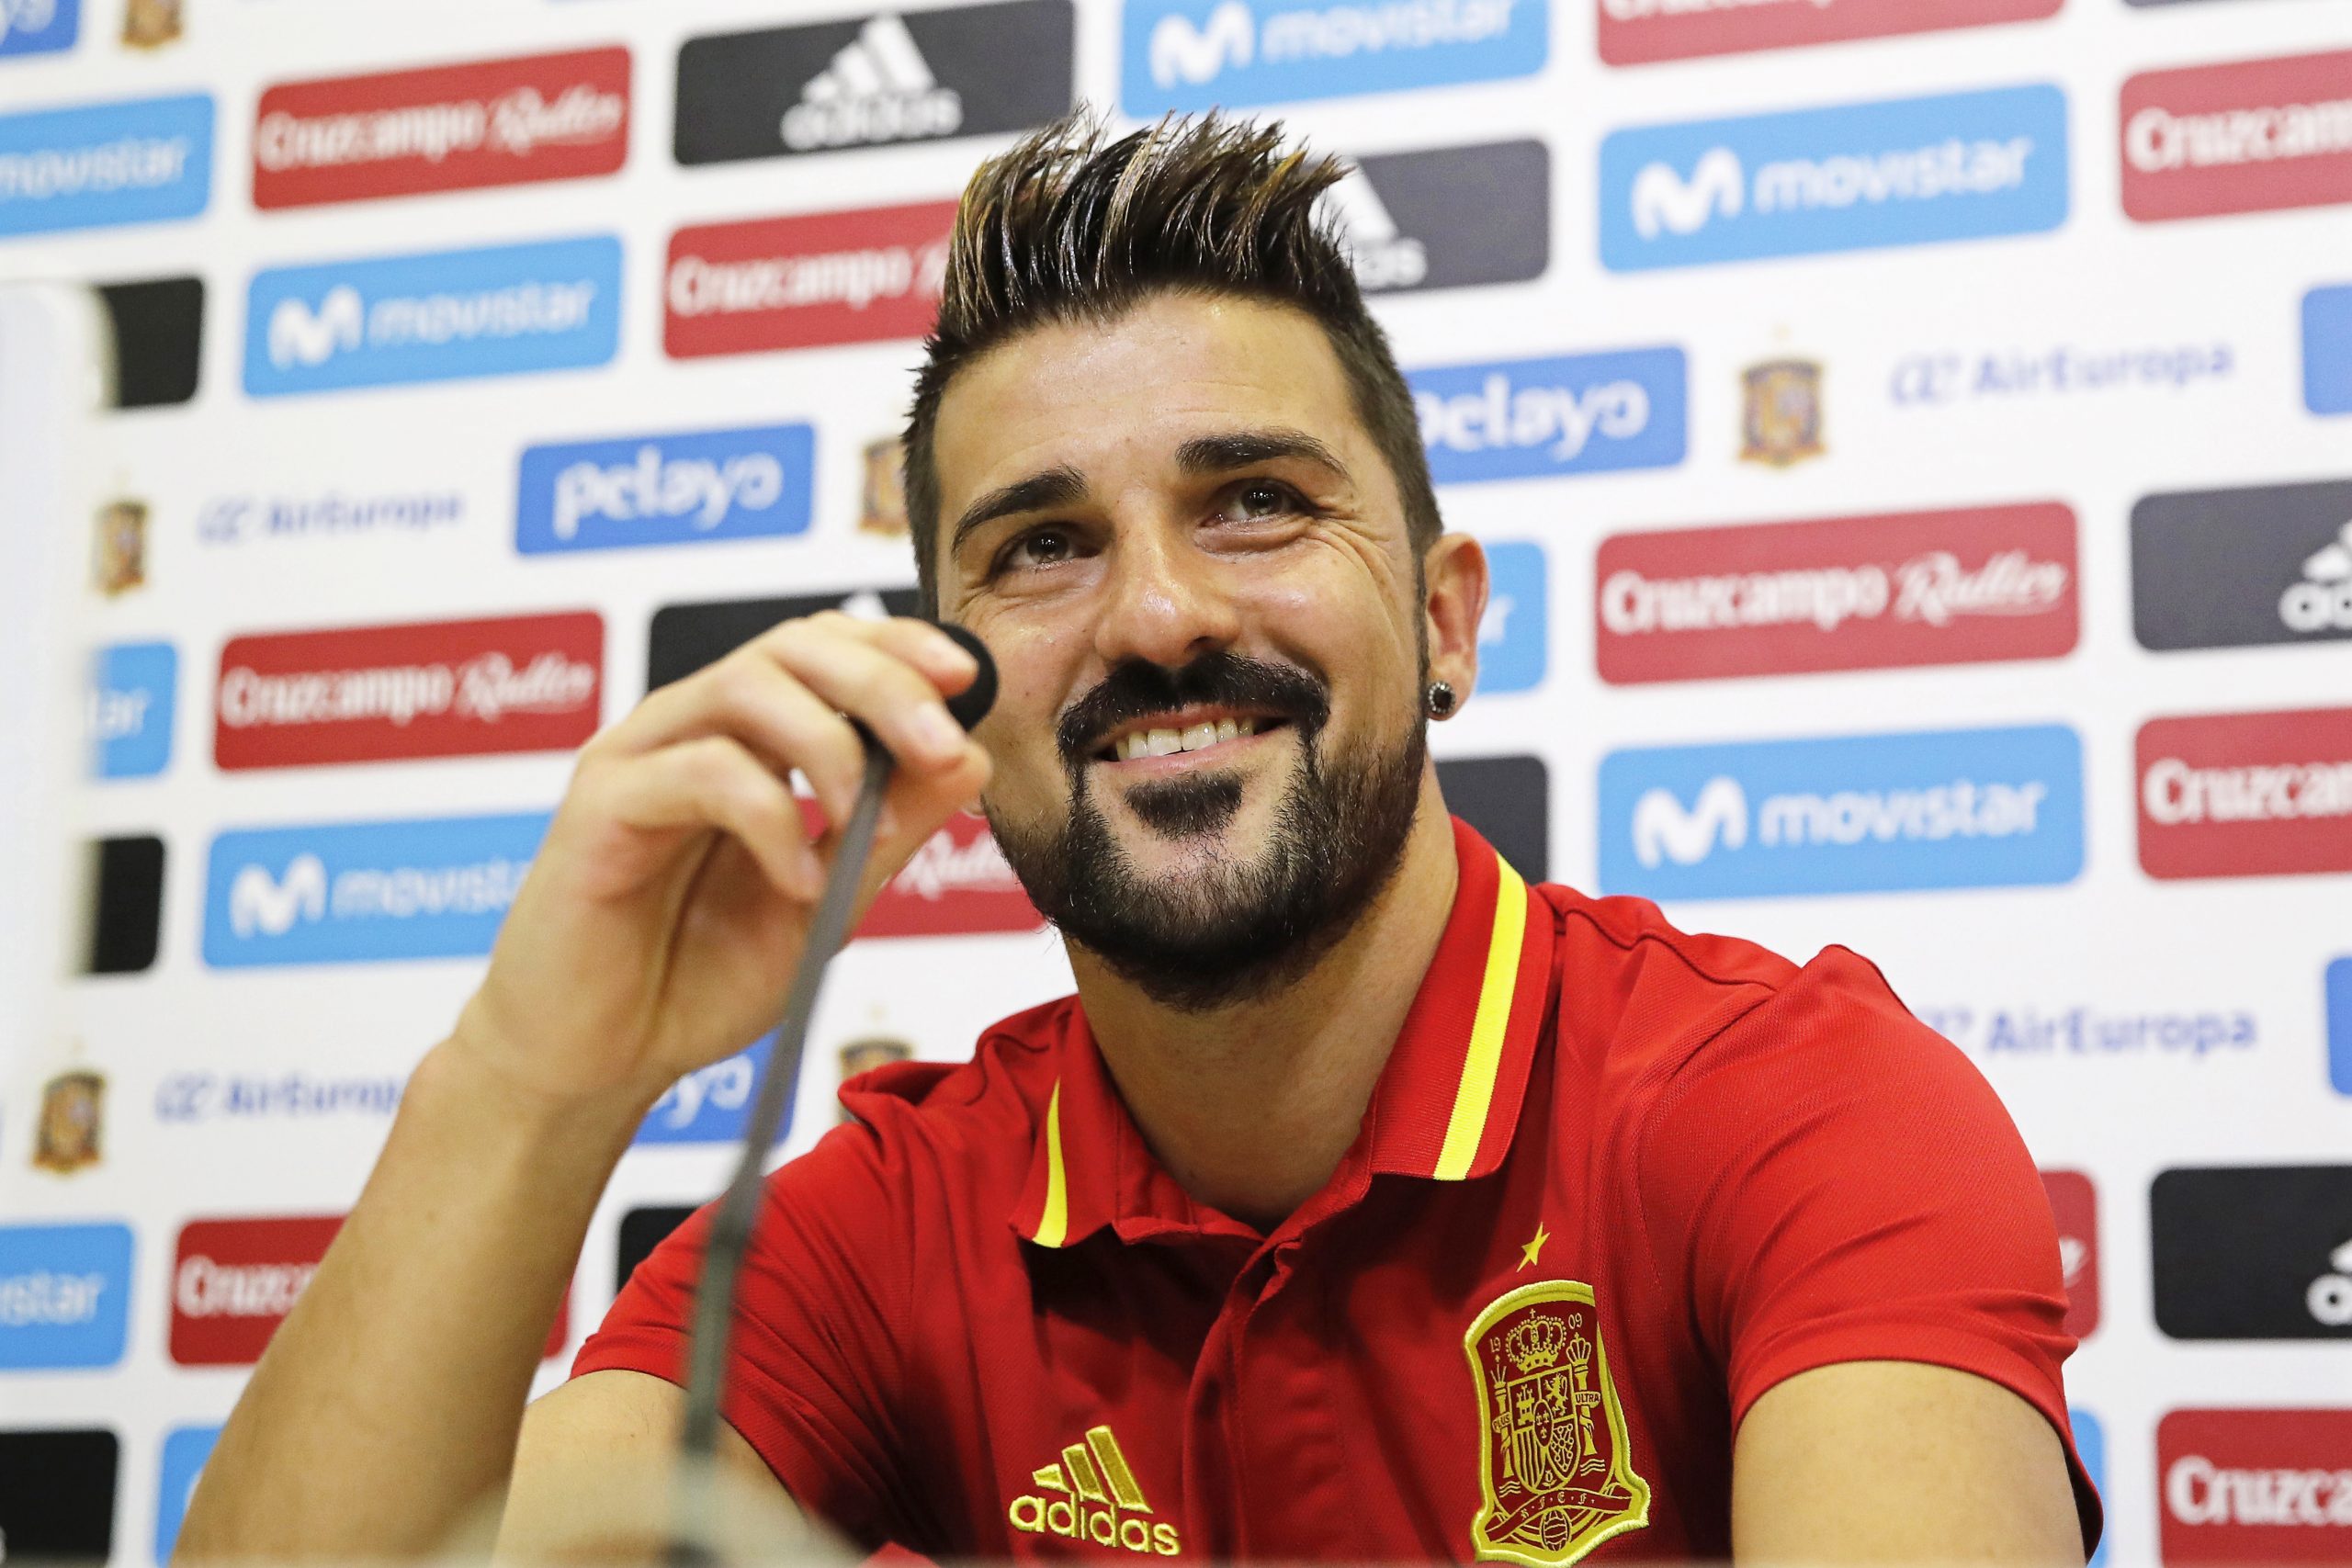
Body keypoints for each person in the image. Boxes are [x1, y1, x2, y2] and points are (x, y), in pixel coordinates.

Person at [176, 113, 2100, 1566]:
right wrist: (533, 1074)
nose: (1158, 616)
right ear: (941, 686)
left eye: (1252, 499)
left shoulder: (1794, 1106)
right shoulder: (885, 1219)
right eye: (1041, 544)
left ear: (1443, 618)